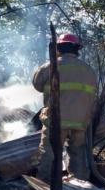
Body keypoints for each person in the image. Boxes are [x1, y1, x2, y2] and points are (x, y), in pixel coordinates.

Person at [32, 33, 98, 181]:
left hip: (56, 120)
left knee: (48, 152)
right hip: (80, 122)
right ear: (76, 50)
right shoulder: (89, 70)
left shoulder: (51, 66)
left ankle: (45, 186)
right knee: (78, 153)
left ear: (58, 48)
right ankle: (81, 186)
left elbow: (37, 84)